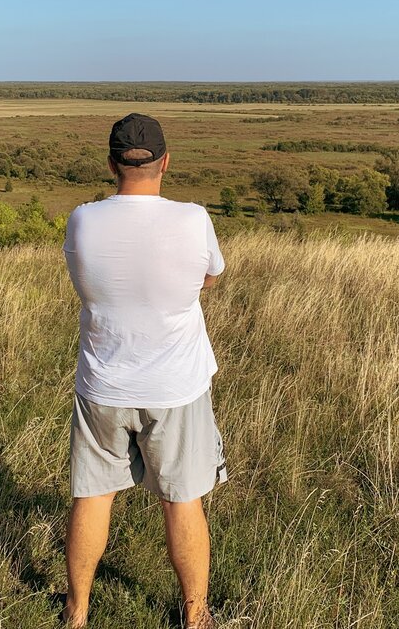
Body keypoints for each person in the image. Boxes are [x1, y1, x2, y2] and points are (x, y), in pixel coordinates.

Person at [60, 113, 228, 628]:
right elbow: (210, 276)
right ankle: (195, 614)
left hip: (103, 384)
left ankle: (77, 610)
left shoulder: (82, 219)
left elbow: (85, 282)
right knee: (183, 501)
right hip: (176, 387)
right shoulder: (193, 218)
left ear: (111, 163)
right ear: (165, 162)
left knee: (92, 496)